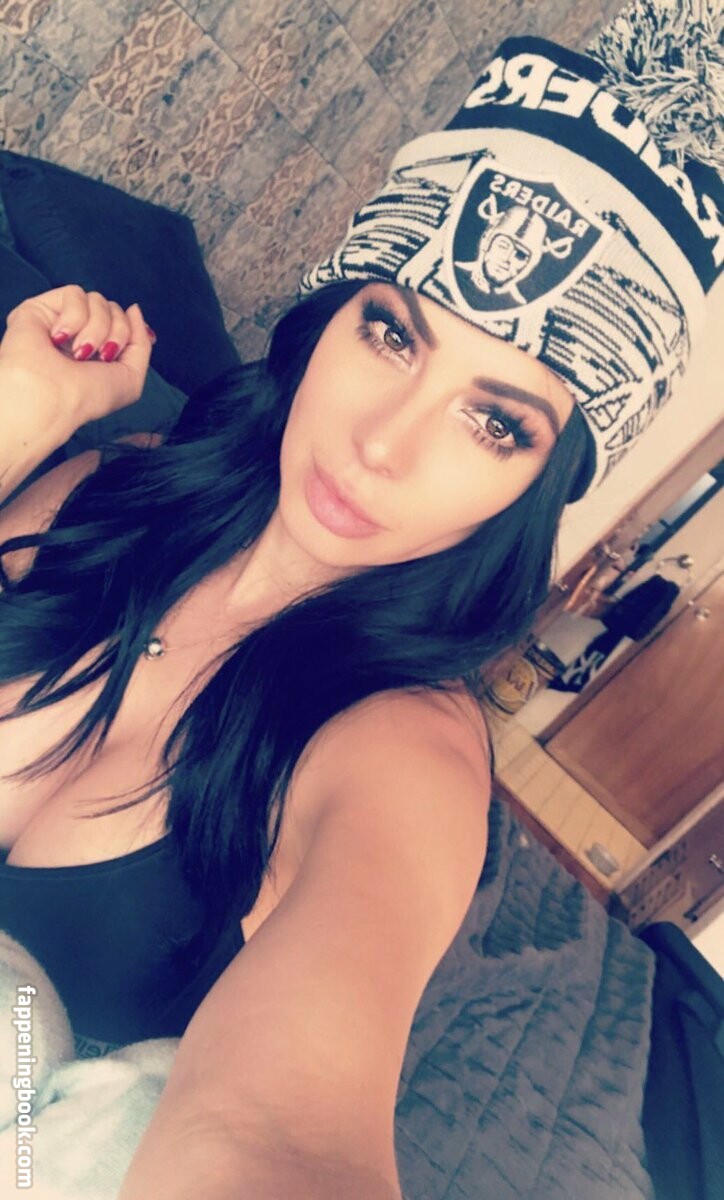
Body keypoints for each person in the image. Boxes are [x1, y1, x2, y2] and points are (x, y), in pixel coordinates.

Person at [0, 1, 721, 1197]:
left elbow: (281, 1138)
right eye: (393, 335)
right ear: (333, 314)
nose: (382, 445)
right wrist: (23, 416)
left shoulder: (406, 750)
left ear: (534, 489)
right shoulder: (111, 489)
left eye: (495, 422)